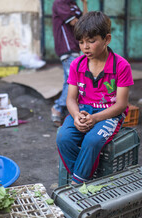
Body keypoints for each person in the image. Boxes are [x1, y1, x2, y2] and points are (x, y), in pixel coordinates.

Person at [56, 11, 134, 185]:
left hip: (109, 113)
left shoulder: (121, 66)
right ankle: (85, 177)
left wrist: (96, 118)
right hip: (84, 111)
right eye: (81, 42)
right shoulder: (77, 64)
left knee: (92, 140)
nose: (85, 47)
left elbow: (121, 105)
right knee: (63, 137)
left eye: (91, 41)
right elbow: (70, 99)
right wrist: (77, 116)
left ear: (106, 39)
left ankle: (77, 183)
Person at [51, 0, 88, 127]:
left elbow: (84, 20)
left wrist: (85, 4)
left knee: (69, 79)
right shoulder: (60, 3)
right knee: (73, 80)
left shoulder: (73, 3)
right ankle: (58, 107)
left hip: (75, 47)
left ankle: (63, 109)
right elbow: (77, 23)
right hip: (66, 47)